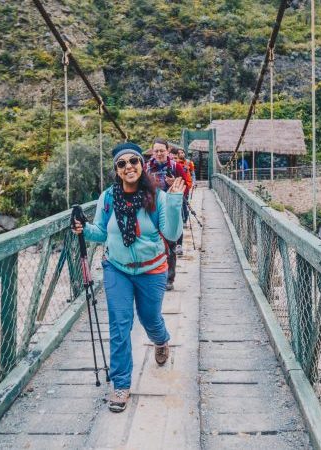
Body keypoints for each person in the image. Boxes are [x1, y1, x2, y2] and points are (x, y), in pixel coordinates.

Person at [73, 142, 186, 413]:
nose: (128, 167)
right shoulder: (108, 198)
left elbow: (171, 234)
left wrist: (173, 202)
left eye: (133, 161)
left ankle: (161, 340)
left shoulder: (157, 197)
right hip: (117, 268)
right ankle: (121, 384)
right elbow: (101, 232)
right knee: (119, 324)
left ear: (142, 164)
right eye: (122, 164)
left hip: (152, 269)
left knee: (149, 318)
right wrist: (83, 228)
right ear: (117, 171)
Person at [145, 139, 191, 291]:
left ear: (168, 150)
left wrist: (174, 185)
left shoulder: (175, 166)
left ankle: (169, 279)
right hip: (152, 209)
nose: (159, 153)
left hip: (169, 208)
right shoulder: (146, 168)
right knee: (152, 242)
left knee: (170, 243)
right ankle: (153, 275)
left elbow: (186, 186)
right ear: (152, 152)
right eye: (156, 151)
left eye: (161, 150)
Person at [170, 147, 196, 256]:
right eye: (173, 157)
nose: (175, 159)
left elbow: (190, 175)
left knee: (179, 216)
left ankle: (178, 244)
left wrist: (192, 184)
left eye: (177, 156)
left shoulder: (187, 163)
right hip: (166, 196)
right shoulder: (167, 166)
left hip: (182, 192)